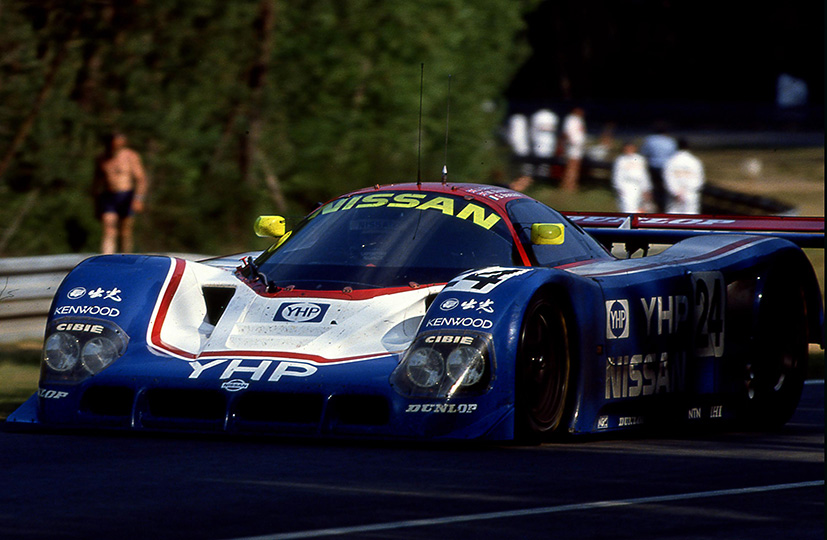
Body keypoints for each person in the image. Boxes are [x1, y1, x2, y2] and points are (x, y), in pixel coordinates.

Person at [92, 132, 148, 254]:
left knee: (125, 231)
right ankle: (107, 257)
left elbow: (141, 178)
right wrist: (96, 203)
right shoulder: (102, 159)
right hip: (108, 196)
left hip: (126, 195)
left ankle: (125, 256)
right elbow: (96, 181)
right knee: (108, 229)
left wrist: (138, 198)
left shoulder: (130, 156)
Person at [638, 124, 677, 211]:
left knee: (654, 186)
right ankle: (663, 206)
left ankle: (655, 203)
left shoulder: (650, 140)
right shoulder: (670, 141)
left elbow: (644, 152)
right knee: (664, 187)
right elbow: (673, 154)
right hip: (666, 167)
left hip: (652, 166)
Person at [663, 138, 705, 214]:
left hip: (676, 194)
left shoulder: (671, 161)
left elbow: (668, 178)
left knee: (673, 216)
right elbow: (699, 179)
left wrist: (675, 191)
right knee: (691, 216)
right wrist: (688, 190)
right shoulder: (694, 161)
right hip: (690, 194)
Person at [612, 142, 653, 213]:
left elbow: (644, 174)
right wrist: (619, 187)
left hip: (638, 185)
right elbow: (617, 174)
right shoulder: (621, 160)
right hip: (627, 185)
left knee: (640, 205)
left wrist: (646, 188)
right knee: (628, 205)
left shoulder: (639, 159)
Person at [561, 107, 586, 191]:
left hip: (579, 147)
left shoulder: (579, 120)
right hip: (573, 147)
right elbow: (567, 133)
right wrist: (572, 143)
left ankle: (572, 184)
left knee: (575, 167)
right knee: (571, 166)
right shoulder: (571, 119)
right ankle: (567, 185)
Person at [529, 109, 558, 178]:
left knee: (546, 162)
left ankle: (543, 176)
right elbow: (533, 129)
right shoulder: (538, 116)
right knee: (539, 159)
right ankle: (536, 176)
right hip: (540, 141)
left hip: (548, 141)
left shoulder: (552, 116)